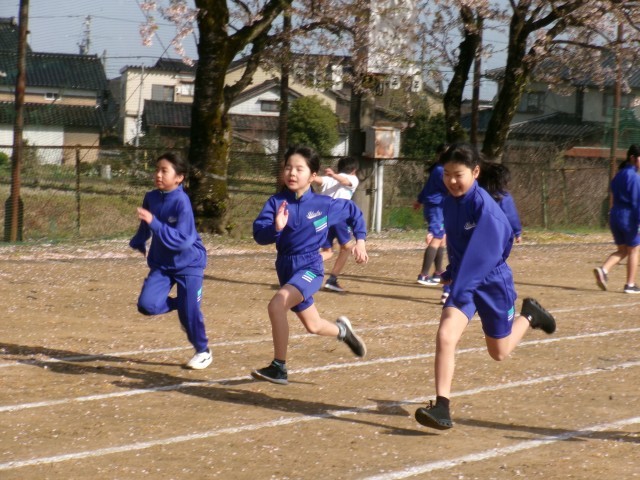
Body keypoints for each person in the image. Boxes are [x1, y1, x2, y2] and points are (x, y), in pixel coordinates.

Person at [414, 143, 556, 431]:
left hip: (492, 283)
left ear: (475, 172)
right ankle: (442, 407)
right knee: (445, 335)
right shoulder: (449, 202)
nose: (452, 181)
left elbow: (491, 252)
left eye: (459, 175)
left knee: (499, 352)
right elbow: (458, 245)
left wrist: (462, 281)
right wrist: (452, 271)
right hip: (464, 281)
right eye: (447, 174)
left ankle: (530, 314)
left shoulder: (486, 208)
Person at [252, 145, 368, 385]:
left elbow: (353, 211)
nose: (292, 173)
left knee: (277, 304)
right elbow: (259, 235)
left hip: (311, 267)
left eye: (299, 169)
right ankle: (343, 332)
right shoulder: (276, 203)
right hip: (285, 267)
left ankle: (279, 367)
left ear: (313, 175)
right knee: (313, 326)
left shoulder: (324, 204)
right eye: (288, 168)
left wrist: (361, 241)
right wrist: (276, 227)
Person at [129, 152, 211, 370]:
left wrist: (155, 223)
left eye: (164, 171)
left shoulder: (182, 201)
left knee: (190, 314)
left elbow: (183, 240)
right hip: (163, 264)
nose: (158, 174)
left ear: (179, 178)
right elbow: (146, 224)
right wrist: (139, 241)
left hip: (189, 263)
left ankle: (203, 351)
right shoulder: (151, 197)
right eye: (157, 169)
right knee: (147, 305)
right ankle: (184, 304)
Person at [594, 144, 640, 294]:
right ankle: (630, 284)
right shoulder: (634, 177)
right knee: (634, 250)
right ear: (633, 158)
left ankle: (603, 270)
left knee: (623, 250)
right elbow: (636, 202)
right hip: (628, 217)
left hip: (615, 214)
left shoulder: (619, 174)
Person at [311, 156, 360, 292]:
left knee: (327, 251)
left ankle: (304, 264)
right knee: (346, 248)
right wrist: (332, 175)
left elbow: (318, 180)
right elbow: (345, 181)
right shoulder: (353, 178)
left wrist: (310, 175)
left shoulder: (331, 179)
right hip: (339, 217)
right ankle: (332, 280)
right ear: (354, 170)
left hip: (323, 218)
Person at [413, 144, 449, 287]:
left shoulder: (439, 169)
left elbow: (426, 188)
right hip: (436, 208)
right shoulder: (441, 171)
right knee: (436, 238)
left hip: (437, 207)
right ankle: (423, 275)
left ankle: (438, 272)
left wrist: (419, 200)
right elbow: (449, 188)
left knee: (442, 239)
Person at [478, 161, 523, 243]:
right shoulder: (503, 197)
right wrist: (517, 232)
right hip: (498, 234)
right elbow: (511, 215)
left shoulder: (478, 194)